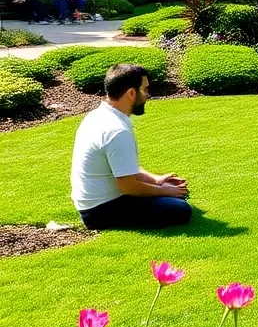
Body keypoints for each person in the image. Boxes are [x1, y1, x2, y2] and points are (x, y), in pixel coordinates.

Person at [70, 64, 192, 231]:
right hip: (102, 211)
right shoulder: (116, 131)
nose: (148, 95)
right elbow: (128, 186)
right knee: (181, 210)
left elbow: (124, 169)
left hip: (94, 203)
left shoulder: (98, 116)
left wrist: (156, 180)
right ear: (131, 93)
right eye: (145, 89)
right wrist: (164, 190)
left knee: (176, 197)